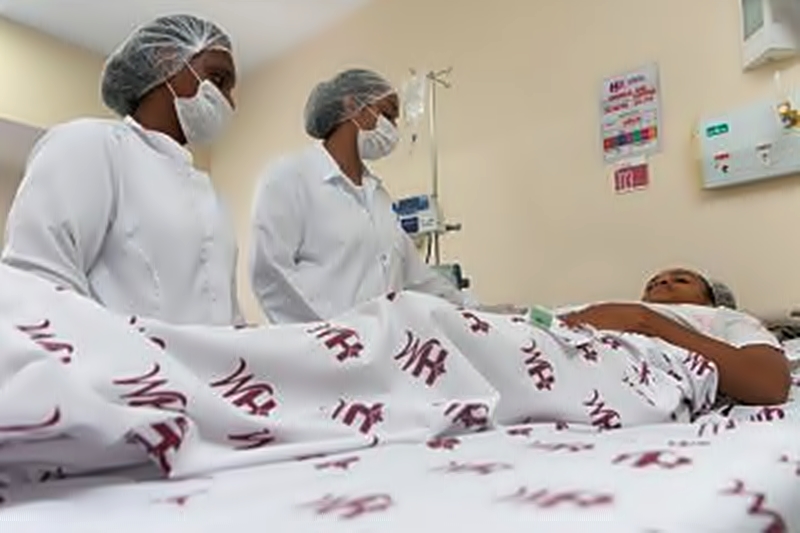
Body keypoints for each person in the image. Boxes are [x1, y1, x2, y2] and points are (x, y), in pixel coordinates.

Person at [2, 14, 243, 326]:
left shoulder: (208, 193)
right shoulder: (91, 145)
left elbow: (227, 317)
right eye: (219, 80)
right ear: (166, 61)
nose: (228, 102)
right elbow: (38, 283)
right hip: (111, 358)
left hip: (203, 362)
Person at [249, 68, 473, 324]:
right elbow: (271, 275)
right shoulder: (290, 177)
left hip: (385, 342)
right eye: (388, 114)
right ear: (352, 105)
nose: (394, 129)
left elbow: (418, 279)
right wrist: (337, 336)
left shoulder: (378, 197)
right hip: (326, 343)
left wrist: (474, 310)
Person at [560, 268, 791, 405]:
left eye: (681, 280)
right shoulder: (617, 308)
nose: (662, 282)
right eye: (653, 282)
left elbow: (768, 382)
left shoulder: (724, 317)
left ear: (711, 300)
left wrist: (648, 322)